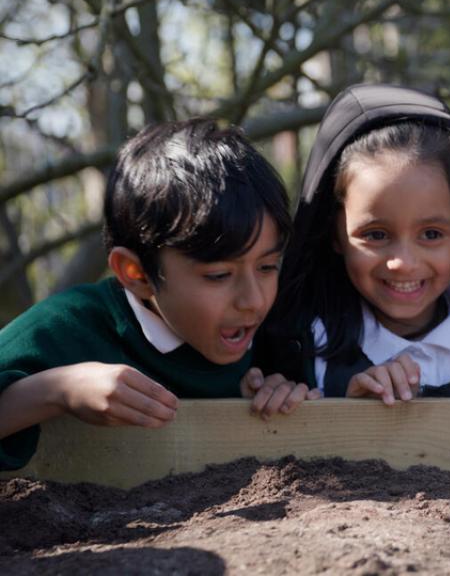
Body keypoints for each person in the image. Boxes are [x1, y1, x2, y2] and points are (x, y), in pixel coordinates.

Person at [0, 118, 316, 472]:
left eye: (268, 267)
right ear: (137, 275)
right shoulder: (63, 327)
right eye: (219, 275)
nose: (253, 300)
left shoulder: (281, 333)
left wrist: (283, 396)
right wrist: (57, 391)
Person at [257, 84, 450, 404]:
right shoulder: (293, 350)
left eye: (432, 234)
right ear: (335, 233)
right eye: (376, 234)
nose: (403, 262)